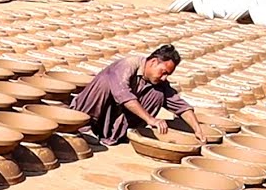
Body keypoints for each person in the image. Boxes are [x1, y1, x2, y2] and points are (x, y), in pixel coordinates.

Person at [70, 44, 207, 147]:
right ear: (153, 62)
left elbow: (180, 106)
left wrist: (197, 130)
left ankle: (121, 132)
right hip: (96, 113)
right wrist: (150, 119)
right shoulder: (128, 65)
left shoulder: (159, 82)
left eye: (168, 75)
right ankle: (85, 127)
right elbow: (123, 95)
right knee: (105, 81)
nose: (165, 78)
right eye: (164, 72)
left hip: (114, 120)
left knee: (158, 94)